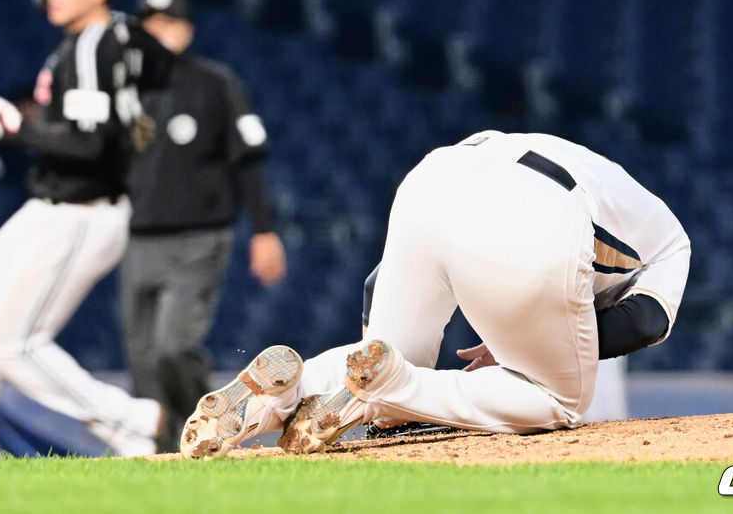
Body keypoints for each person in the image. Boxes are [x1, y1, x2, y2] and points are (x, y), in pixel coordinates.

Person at [177, 130, 691, 458]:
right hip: (536, 211)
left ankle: (288, 388)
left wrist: (379, 342)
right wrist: (544, 342)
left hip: (437, 174)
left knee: (387, 353)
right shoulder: (671, 242)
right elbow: (645, 322)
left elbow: (379, 280)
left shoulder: (611, 183)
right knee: (556, 400)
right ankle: (394, 387)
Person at [0, 0, 172, 461]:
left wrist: (17, 125)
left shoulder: (96, 43)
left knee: (14, 343)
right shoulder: (94, 40)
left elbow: (88, 143)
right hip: (54, 202)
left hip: (85, 209)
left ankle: (130, 417)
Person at [119, 0, 286, 438]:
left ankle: (205, 428)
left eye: (168, 24)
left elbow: (248, 161)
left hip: (199, 236)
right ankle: (157, 452)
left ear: (187, 31)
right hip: (135, 237)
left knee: (173, 348)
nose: (158, 33)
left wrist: (265, 231)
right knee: (141, 358)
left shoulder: (215, 83)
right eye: (150, 25)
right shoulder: (125, 90)